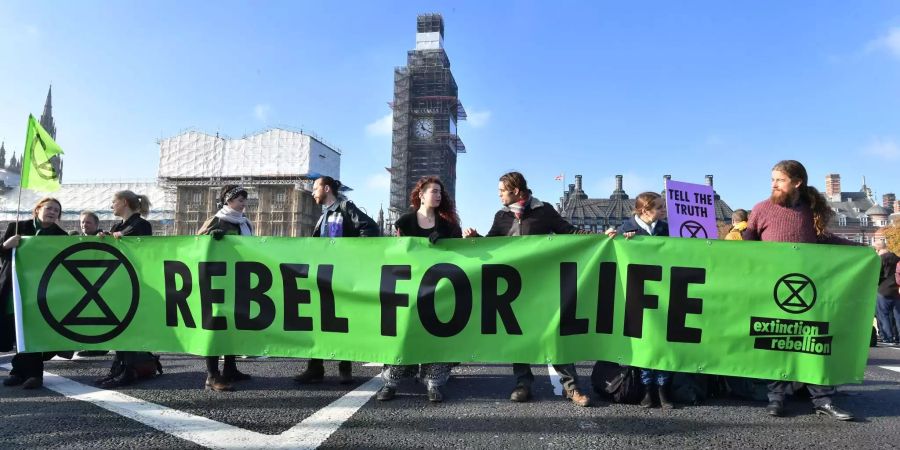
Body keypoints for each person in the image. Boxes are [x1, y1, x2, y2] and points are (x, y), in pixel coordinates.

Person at [462, 171, 592, 407]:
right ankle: (523, 384)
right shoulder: (501, 216)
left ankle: (571, 387)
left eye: (502, 190)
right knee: (518, 334)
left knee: (554, 333)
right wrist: (475, 238)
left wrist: (601, 237)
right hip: (513, 287)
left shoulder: (544, 210)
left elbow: (570, 232)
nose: (499, 195)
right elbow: (491, 245)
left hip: (544, 285)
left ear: (517, 191)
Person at [742, 160, 855, 421]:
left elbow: (823, 239)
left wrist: (860, 249)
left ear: (797, 182)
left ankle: (823, 399)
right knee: (776, 342)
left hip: (806, 289)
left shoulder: (810, 210)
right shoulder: (761, 209)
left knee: (810, 343)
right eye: (772, 179)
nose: (773, 184)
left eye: (779, 180)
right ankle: (776, 398)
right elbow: (746, 245)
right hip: (772, 288)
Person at [376, 176, 461, 403]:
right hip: (410, 286)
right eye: (434, 191)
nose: (438, 195)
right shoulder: (404, 222)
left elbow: (461, 254)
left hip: (439, 288)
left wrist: (448, 240)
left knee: (437, 333)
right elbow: (395, 254)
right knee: (405, 332)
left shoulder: (448, 225)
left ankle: (433, 383)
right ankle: (391, 382)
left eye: (440, 192)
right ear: (421, 195)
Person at [294, 176, 379, 385]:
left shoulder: (345, 207)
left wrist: (349, 254)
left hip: (341, 276)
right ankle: (315, 367)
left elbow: (370, 228)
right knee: (317, 319)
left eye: (315, 188)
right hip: (322, 275)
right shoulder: (323, 215)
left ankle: (344, 367)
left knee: (342, 319)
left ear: (326, 188)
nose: (313, 192)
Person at [605, 192, 675, 409]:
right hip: (637, 293)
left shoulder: (666, 229)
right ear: (645, 210)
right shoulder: (626, 229)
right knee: (643, 341)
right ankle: (646, 389)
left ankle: (662, 389)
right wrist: (610, 236)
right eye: (660, 207)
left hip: (664, 292)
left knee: (662, 340)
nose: (664, 211)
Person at [1, 197, 69, 389]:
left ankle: (34, 375)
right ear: (37, 209)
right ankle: (19, 372)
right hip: (14, 286)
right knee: (17, 328)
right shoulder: (17, 227)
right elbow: (1, 252)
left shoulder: (61, 236)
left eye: (56, 210)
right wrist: (7, 245)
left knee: (33, 328)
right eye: (49, 208)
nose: (52, 212)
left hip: (43, 291)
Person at [95, 190, 158, 389]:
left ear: (123, 202)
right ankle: (119, 367)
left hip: (135, 283)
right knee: (118, 326)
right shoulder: (117, 226)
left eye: (113, 202)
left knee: (129, 326)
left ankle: (129, 369)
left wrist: (118, 237)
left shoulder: (141, 224)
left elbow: (140, 247)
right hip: (117, 282)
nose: (111, 205)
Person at [195, 185, 255, 391]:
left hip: (238, 279)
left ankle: (230, 368)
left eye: (244, 199)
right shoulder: (216, 220)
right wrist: (210, 237)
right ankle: (212, 375)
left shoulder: (245, 223)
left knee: (232, 325)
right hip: (216, 281)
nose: (243, 203)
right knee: (214, 326)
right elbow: (196, 244)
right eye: (239, 199)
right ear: (228, 201)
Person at [72, 211, 110, 358]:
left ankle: (100, 347)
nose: (84, 225)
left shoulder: (104, 237)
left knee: (98, 316)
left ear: (96, 224)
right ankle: (91, 345)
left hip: (102, 282)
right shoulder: (77, 239)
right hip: (83, 282)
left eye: (88, 222)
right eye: (82, 222)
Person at [874, 241, 900, 346]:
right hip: (896, 290)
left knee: (883, 315)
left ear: (878, 249)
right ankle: (898, 337)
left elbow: (876, 274)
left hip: (883, 290)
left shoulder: (880, 259)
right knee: (898, 315)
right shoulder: (897, 258)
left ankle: (887, 338)